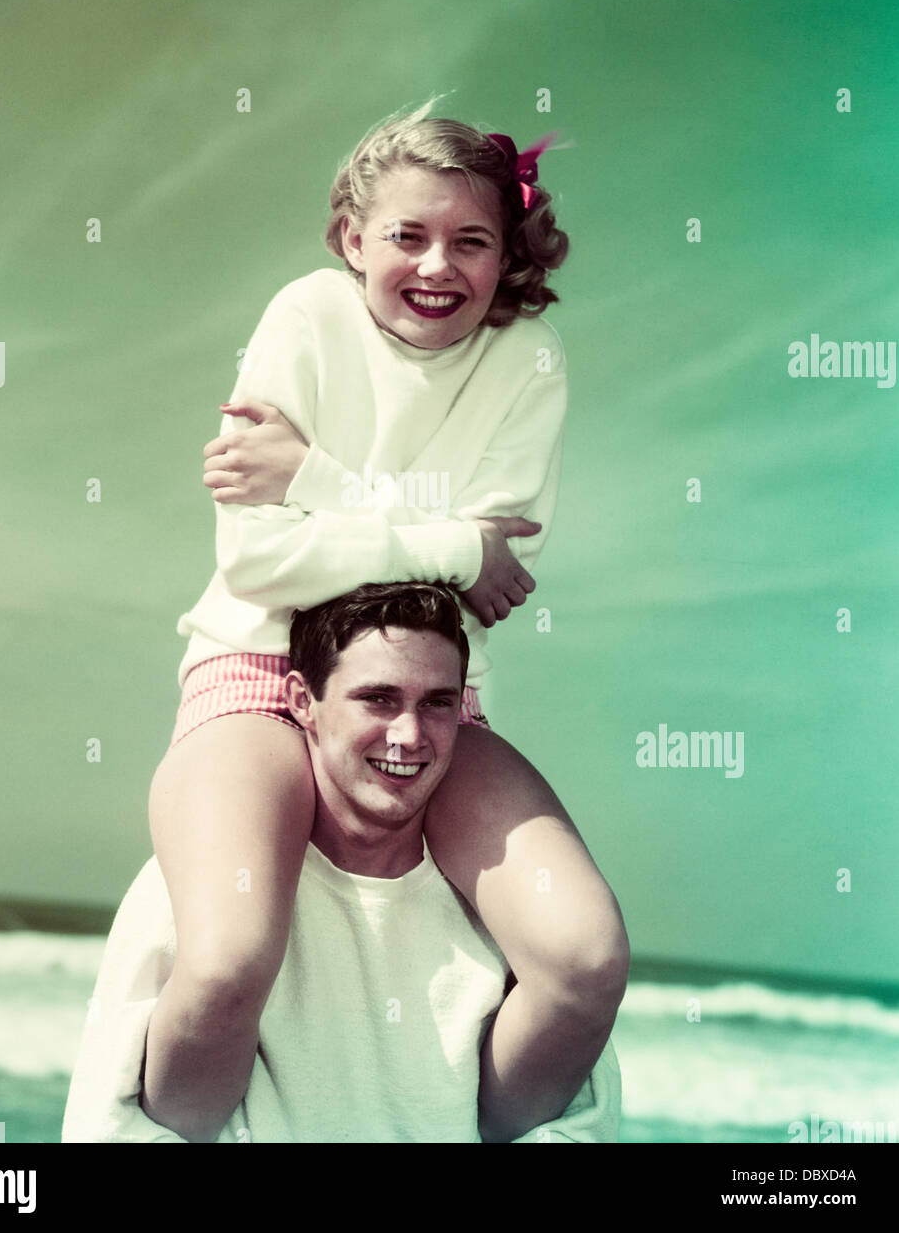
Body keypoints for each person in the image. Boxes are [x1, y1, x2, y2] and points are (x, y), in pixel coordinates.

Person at [143, 103, 629, 1144]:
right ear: (352, 238)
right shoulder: (308, 316)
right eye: (407, 234)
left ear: (509, 254)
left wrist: (313, 480)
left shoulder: (528, 359)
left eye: (471, 240)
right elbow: (260, 558)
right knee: (228, 961)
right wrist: (453, 542)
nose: (436, 265)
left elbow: (496, 577)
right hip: (254, 662)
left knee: (583, 958)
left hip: (431, 694)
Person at [63, 584, 621, 1143]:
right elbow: (115, 1123)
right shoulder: (208, 883)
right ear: (304, 701)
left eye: (437, 703)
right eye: (378, 698)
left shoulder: (503, 897)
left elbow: (573, 1124)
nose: (409, 735)